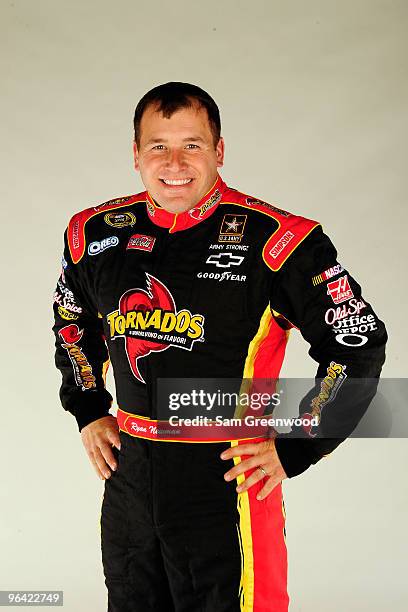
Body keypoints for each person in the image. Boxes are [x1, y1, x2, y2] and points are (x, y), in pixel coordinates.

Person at [52, 82, 387, 612]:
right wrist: (89, 408)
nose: (175, 162)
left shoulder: (280, 240)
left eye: (193, 144)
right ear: (136, 153)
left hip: (226, 476)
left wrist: (298, 445)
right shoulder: (93, 233)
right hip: (130, 478)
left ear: (219, 151)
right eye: (158, 146)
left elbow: (358, 345)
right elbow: (72, 323)